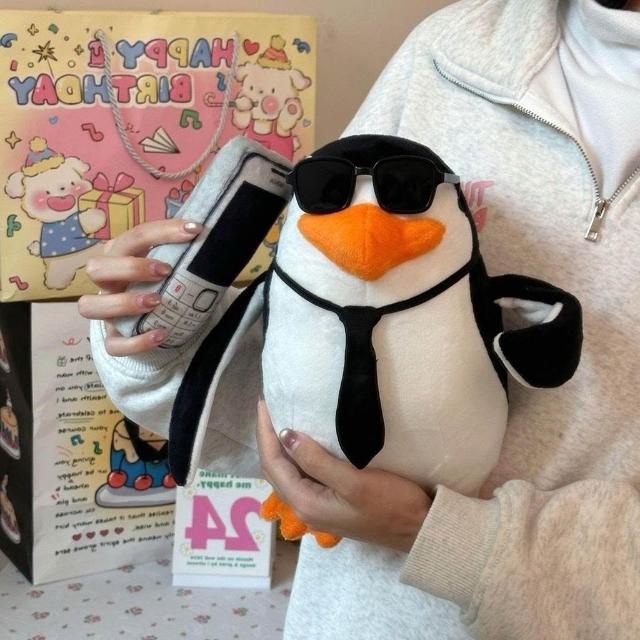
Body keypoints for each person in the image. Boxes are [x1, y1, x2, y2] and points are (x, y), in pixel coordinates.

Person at [80, 0, 640, 638]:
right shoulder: (454, 49)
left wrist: (451, 538)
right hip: (350, 618)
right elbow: (291, 386)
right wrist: (158, 341)